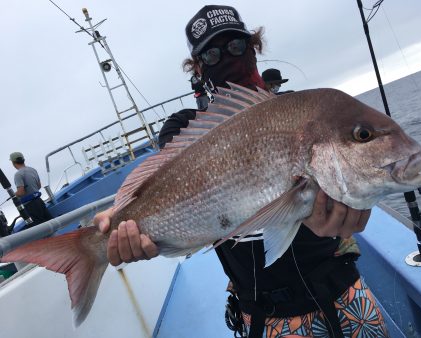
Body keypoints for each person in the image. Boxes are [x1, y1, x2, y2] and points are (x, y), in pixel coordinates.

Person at [95, 5, 388, 338]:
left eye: (236, 46)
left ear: (254, 47)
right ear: (198, 67)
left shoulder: (300, 115)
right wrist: (120, 215)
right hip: (266, 315)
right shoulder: (183, 126)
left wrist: (356, 205)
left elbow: (339, 176)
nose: (227, 59)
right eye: (212, 55)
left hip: (343, 292)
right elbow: (163, 183)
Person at [10, 152, 52, 230]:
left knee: (41, 229)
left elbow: (21, 192)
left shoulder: (18, 174)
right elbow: (39, 186)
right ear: (23, 160)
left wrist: (13, 195)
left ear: (13, 162)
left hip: (30, 206)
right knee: (50, 224)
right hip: (39, 202)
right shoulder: (32, 170)